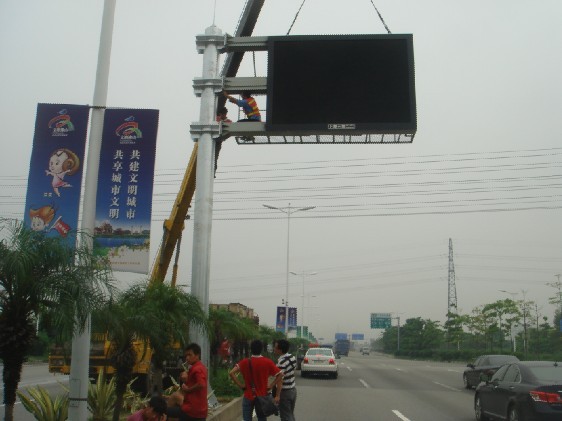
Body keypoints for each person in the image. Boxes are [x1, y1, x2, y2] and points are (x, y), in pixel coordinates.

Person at [229, 339, 283, 421]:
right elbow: (280, 374)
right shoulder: (267, 362)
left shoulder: (244, 362)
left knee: (247, 419)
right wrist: (271, 385)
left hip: (248, 395)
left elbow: (231, 373)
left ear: (251, 349)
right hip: (262, 397)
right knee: (262, 418)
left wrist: (241, 385)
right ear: (261, 349)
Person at [166, 343, 208, 421]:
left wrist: (188, 389)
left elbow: (201, 384)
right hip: (200, 412)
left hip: (191, 411)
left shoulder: (197, 368)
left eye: (190, 355)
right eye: (186, 356)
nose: (187, 358)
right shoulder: (199, 367)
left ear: (197, 355)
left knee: (163, 411)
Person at [273, 339, 297, 421]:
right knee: (290, 414)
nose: (274, 349)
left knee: (285, 417)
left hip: (284, 392)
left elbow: (280, 380)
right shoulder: (292, 357)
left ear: (280, 350)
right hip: (293, 390)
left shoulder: (281, 362)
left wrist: (277, 395)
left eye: (275, 347)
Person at [214, 106, 232, 177]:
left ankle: (213, 172)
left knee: (215, 157)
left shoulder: (228, 122)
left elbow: (229, 132)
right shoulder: (215, 119)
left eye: (224, 114)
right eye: (222, 114)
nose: (223, 115)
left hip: (218, 142)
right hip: (211, 140)